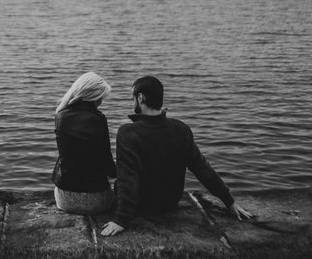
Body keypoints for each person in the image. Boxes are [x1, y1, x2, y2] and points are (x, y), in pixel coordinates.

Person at [101, 75, 251, 236]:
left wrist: (121, 220)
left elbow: (128, 178)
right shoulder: (181, 129)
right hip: (170, 202)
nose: (133, 103)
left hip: (142, 206)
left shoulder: (128, 132)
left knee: (116, 183)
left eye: (133, 98)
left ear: (140, 97)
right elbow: (201, 168)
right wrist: (229, 201)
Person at [52, 72, 117, 214]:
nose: (101, 101)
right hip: (95, 201)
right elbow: (107, 163)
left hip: (64, 199)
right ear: (92, 96)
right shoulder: (98, 119)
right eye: (101, 97)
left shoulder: (60, 116)